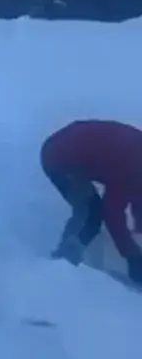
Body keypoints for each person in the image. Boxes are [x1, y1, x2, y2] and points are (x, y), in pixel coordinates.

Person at [41, 119, 142, 285]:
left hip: (77, 149)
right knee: (90, 214)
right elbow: (112, 213)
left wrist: (138, 236)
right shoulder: (133, 165)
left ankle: (74, 261)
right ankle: (60, 267)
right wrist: (132, 257)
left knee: (93, 213)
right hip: (59, 156)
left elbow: (138, 200)